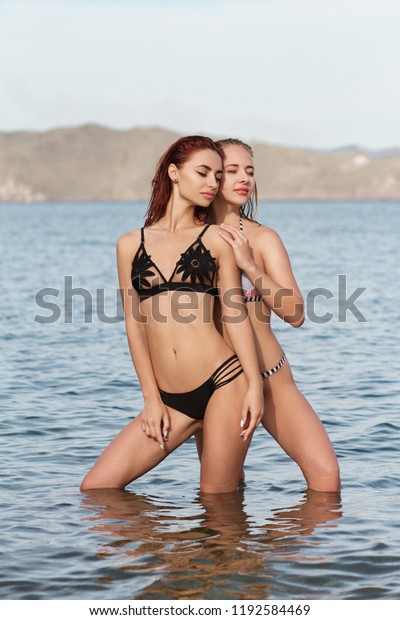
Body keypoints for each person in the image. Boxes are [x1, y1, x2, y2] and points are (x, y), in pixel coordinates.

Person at [80, 136, 264, 494]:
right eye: (203, 172)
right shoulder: (130, 244)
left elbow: (234, 314)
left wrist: (255, 386)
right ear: (174, 173)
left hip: (225, 383)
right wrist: (150, 399)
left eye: (217, 175)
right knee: (97, 490)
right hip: (169, 399)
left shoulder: (217, 239)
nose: (213, 183)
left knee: (217, 503)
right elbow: (135, 325)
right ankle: (168, 552)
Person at [196, 138, 340, 492]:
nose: (244, 178)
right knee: (224, 496)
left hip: (272, 380)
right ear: (213, 177)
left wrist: (248, 264)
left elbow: (296, 314)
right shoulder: (191, 240)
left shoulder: (263, 240)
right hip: (220, 385)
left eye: (249, 171)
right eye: (232, 171)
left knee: (327, 480)